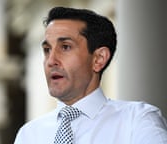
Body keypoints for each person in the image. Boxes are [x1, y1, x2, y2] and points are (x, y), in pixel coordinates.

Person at [14, 6, 167, 144]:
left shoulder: (137, 121)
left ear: (98, 59)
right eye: (47, 50)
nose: (51, 61)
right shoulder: (29, 134)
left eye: (65, 47)